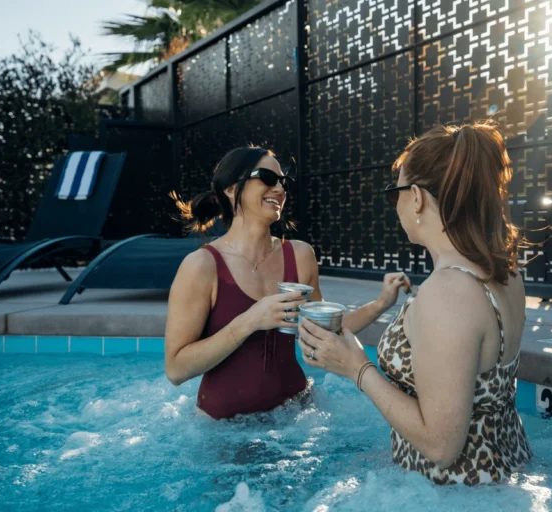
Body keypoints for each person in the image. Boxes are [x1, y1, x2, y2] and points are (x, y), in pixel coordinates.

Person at [297, 122, 533, 485]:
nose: (396, 205)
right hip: (502, 475)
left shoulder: (448, 290)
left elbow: (441, 447)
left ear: (418, 197)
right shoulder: (504, 272)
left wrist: (356, 367)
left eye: (396, 194)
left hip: (452, 496)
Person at [164, 147, 407, 420]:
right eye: (268, 177)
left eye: (284, 182)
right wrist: (250, 320)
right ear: (232, 189)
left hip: (296, 416)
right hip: (223, 431)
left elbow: (326, 331)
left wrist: (382, 303)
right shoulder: (201, 266)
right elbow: (176, 369)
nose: (280, 188)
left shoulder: (300, 255)